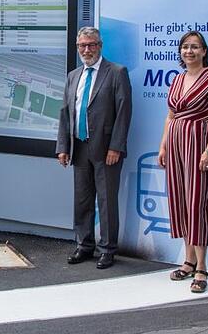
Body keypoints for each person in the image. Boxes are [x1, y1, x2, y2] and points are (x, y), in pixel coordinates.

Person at [158, 31, 208, 293]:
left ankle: (202, 267)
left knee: (198, 202)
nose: (189, 51)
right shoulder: (177, 79)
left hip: (199, 144)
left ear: (204, 51)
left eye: (195, 47)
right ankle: (187, 261)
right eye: (185, 47)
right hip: (176, 144)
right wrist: (163, 144)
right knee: (181, 200)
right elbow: (170, 115)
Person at [56, 27, 132, 269]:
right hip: (79, 146)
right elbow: (66, 113)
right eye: (82, 46)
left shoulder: (117, 72)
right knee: (82, 200)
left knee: (106, 201)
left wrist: (116, 147)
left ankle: (108, 249)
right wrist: (63, 147)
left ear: (100, 46)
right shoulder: (73, 75)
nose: (86, 50)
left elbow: (124, 113)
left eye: (91, 45)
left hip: (105, 149)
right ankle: (84, 245)